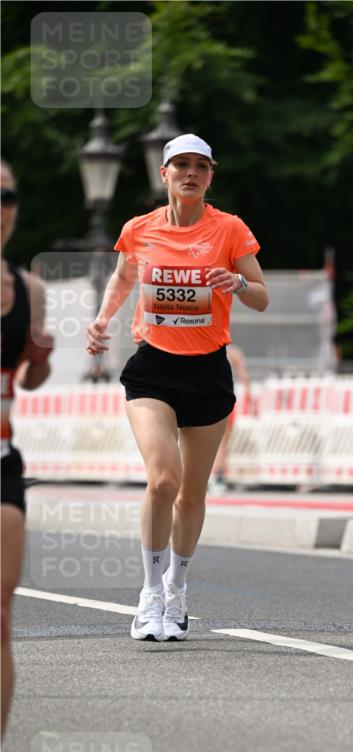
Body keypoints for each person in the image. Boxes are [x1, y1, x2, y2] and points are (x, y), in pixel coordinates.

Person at [85, 134, 268, 642]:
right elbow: (123, 280)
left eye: (200, 167)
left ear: (211, 176)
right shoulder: (139, 230)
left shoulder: (229, 229)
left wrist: (237, 285)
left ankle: (177, 590)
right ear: (163, 174)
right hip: (153, 369)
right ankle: (148, 596)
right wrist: (102, 321)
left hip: (207, 370)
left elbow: (262, 297)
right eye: (180, 165)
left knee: (191, 494)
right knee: (163, 479)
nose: (191, 173)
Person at [1, 160, 54, 752]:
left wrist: (39, 359)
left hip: (2, 459)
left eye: (9, 195)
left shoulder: (30, 289)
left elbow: (34, 379)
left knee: (2, 617)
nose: (2, 206)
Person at [209, 342, 251, 493]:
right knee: (222, 444)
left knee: (196, 441)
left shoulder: (204, 348)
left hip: (205, 398)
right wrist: (250, 400)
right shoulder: (234, 352)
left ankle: (203, 476)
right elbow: (244, 376)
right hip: (224, 398)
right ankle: (218, 478)